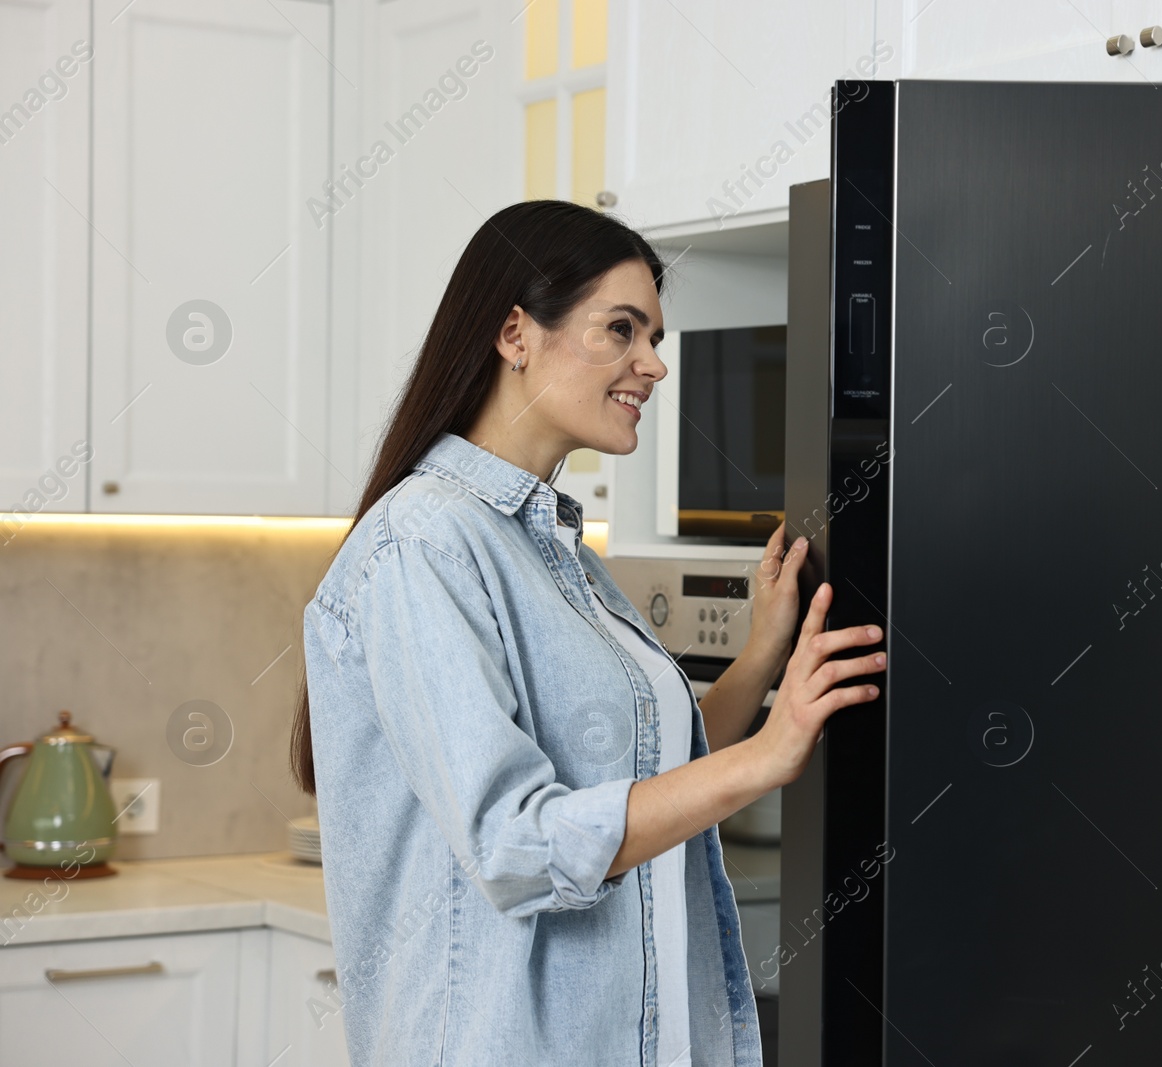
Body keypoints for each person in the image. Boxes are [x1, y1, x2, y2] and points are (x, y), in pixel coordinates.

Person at [290, 200, 883, 1066]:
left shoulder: (553, 546)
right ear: (514, 332)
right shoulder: (422, 542)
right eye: (622, 330)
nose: (653, 364)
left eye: (656, 336)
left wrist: (761, 653)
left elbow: (650, 769)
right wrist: (767, 756)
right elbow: (515, 844)